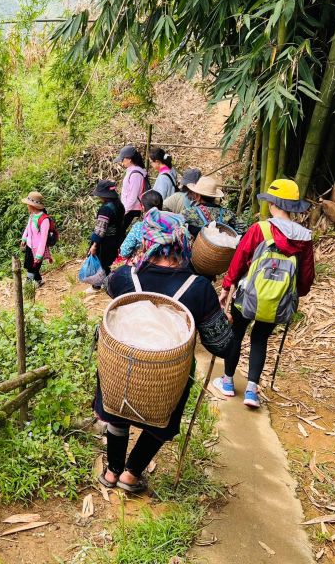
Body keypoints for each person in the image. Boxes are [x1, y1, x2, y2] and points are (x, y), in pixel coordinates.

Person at [95, 210, 234, 493]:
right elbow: (221, 345)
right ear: (183, 243)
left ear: (147, 242)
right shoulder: (199, 288)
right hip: (168, 371)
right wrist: (224, 322)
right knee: (162, 414)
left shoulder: (124, 278)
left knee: (117, 408)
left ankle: (112, 471)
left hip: (122, 364)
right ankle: (131, 474)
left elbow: (109, 289)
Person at [214, 179, 315, 408]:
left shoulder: (259, 229)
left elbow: (239, 261)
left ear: (272, 203)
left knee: (237, 334)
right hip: (279, 301)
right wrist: (296, 294)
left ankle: (228, 382)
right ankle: (251, 391)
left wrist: (227, 285)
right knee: (260, 339)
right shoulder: (305, 237)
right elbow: (306, 275)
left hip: (249, 294)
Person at [88, 180, 125, 291]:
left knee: (99, 262)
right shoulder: (119, 205)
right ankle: (107, 281)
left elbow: (100, 229)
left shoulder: (105, 209)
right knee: (105, 262)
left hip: (105, 241)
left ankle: (97, 286)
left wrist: (94, 245)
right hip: (115, 239)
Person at [119, 189, 163, 264]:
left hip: (142, 265)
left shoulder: (139, 227)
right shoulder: (169, 225)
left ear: (142, 207)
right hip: (164, 262)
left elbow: (124, 252)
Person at [20, 191, 53, 287]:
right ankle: (39, 281)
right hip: (30, 245)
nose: (27, 206)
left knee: (33, 267)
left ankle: (28, 285)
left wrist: (39, 255)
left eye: (28, 204)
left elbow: (43, 239)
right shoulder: (32, 215)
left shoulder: (44, 220)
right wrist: (24, 238)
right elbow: (28, 227)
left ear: (32, 206)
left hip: (38, 248)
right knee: (29, 265)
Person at [115, 145, 148, 234]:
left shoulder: (136, 174)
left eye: (122, 159)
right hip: (128, 207)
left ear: (129, 159)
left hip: (131, 209)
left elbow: (133, 196)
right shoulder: (132, 171)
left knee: (119, 231)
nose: (121, 162)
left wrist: (124, 211)